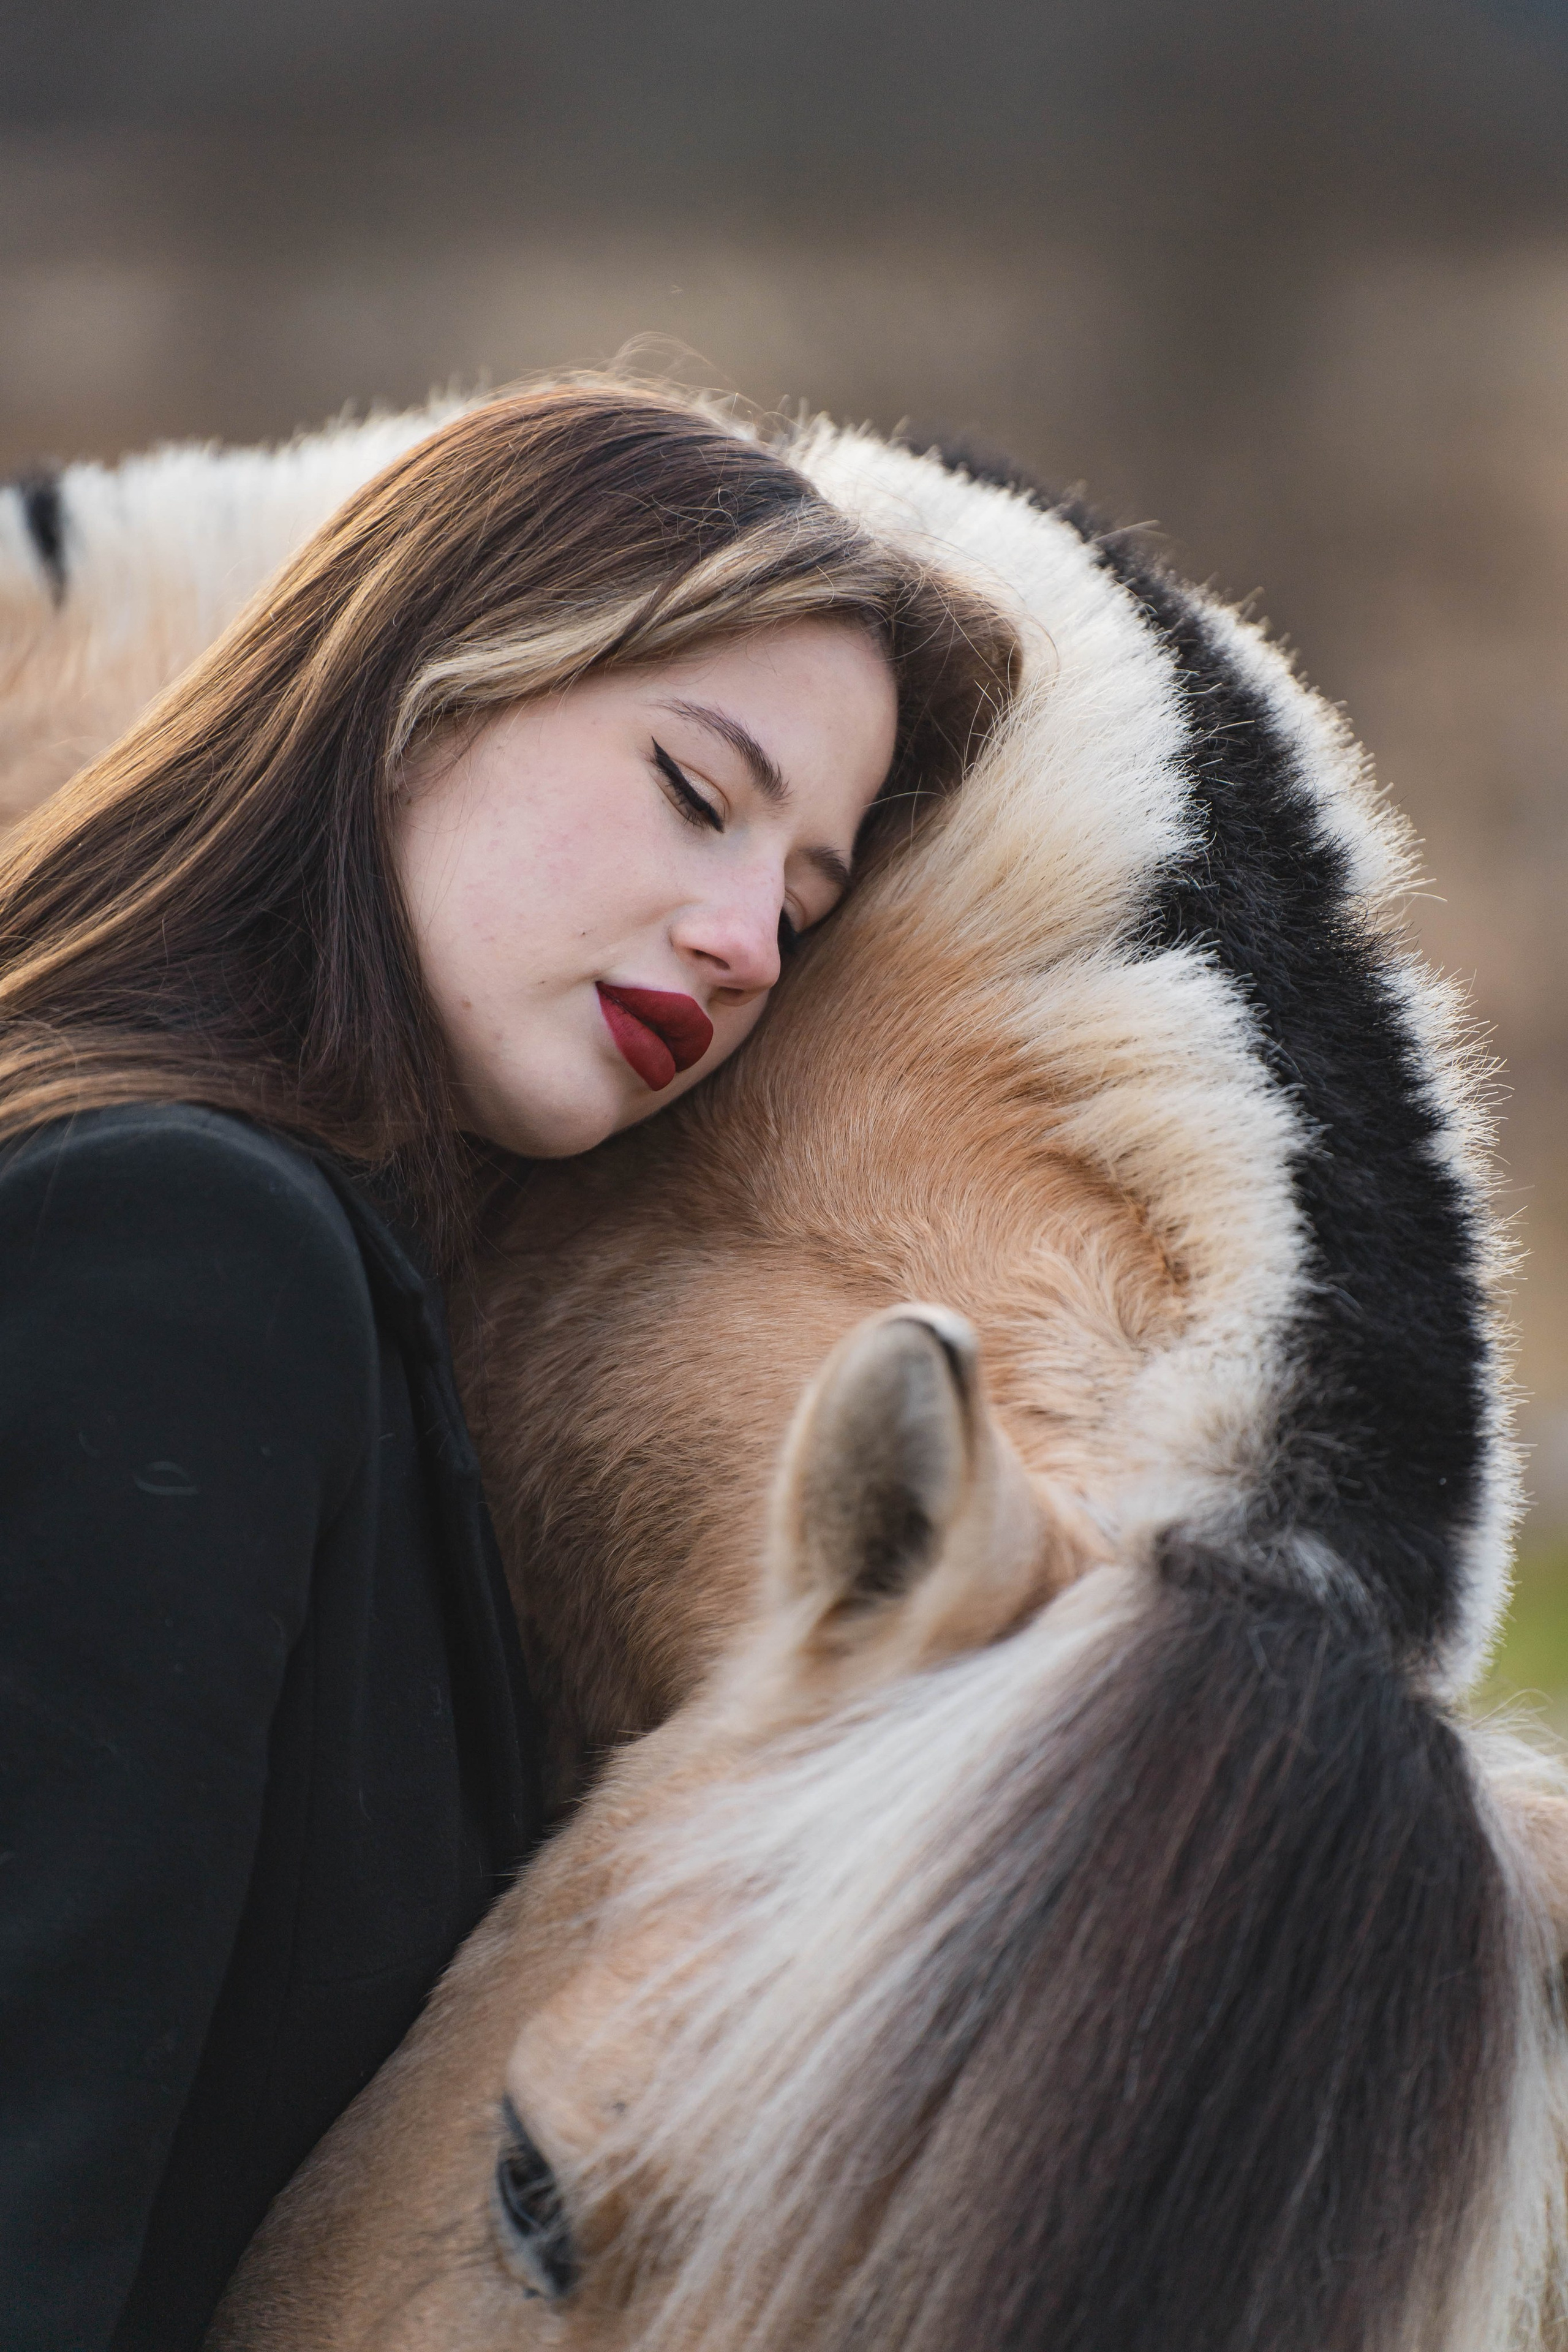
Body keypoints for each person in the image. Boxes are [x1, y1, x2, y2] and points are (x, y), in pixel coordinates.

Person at [0, 383, 1017, 2350]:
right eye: (699, 795)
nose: (745, 943)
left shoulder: (323, 1289)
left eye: (802, 906)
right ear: (424, 691)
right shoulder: (181, 1254)